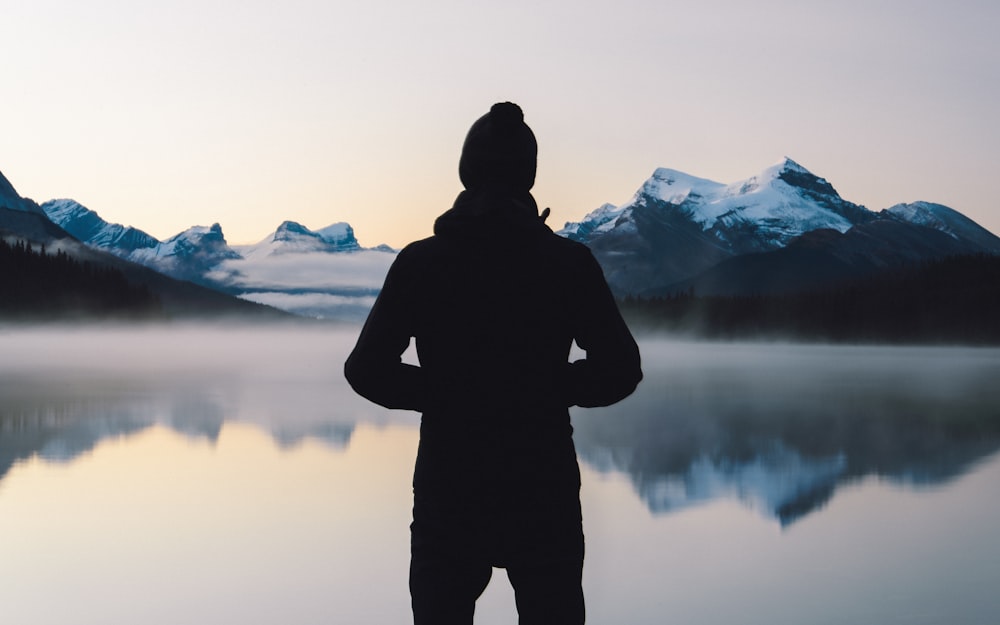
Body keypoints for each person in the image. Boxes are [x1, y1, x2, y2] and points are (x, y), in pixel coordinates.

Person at [344, 101, 642, 625]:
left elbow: (365, 369)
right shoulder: (567, 264)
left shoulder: (422, 262)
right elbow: (621, 368)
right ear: (527, 175)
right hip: (542, 486)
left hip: (448, 489)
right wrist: (551, 387)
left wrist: (440, 394)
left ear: (467, 171)